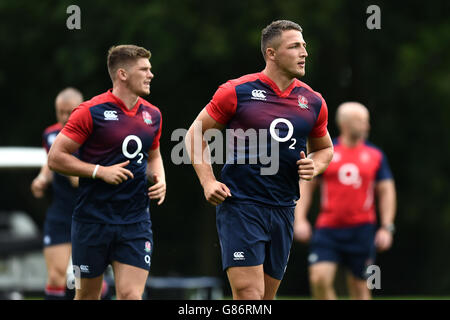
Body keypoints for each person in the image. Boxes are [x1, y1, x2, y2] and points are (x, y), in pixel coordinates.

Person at [186, 20, 333, 300]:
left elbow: (325, 149)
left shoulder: (313, 101)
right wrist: (208, 181)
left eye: (304, 46)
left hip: (283, 209)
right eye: (294, 46)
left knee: (265, 298)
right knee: (248, 294)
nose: (304, 52)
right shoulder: (236, 91)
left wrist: (315, 165)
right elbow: (194, 134)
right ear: (271, 53)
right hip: (241, 204)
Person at [47, 45, 166, 300]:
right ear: (122, 74)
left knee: (131, 295)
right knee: (88, 296)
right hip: (92, 221)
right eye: (144, 69)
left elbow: (154, 155)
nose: (150, 74)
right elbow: (55, 158)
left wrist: (161, 178)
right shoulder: (90, 111)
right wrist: (99, 171)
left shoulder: (152, 115)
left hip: (135, 222)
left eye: (150, 69)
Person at [294, 102, 397, 300]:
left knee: (361, 287)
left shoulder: (375, 155)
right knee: (318, 279)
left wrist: (387, 227)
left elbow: (387, 191)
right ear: (345, 124)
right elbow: (306, 185)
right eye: (361, 121)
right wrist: (300, 219)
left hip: (363, 230)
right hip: (328, 229)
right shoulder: (326, 152)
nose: (367, 126)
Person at [31, 87, 83, 300]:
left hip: (88, 214)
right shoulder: (50, 135)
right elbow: (51, 162)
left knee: (85, 279)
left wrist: (79, 173)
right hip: (60, 214)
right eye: (60, 112)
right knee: (56, 276)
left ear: (80, 110)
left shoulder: (96, 135)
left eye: (69, 112)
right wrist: (42, 178)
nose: (64, 117)